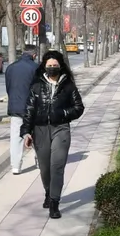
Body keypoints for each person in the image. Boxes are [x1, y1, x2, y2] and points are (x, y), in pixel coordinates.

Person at [21, 51, 85, 219]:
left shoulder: (68, 85)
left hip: (61, 129)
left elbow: (79, 108)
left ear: (60, 66)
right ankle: (48, 192)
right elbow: (29, 110)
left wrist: (63, 113)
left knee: (57, 165)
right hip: (40, 129)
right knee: (45, 167)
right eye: (48, 66)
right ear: (44, 66)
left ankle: (54, 203)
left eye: (54, 65)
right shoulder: (36, 86)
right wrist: (26, 132)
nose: (51, 68)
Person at [5, 45, 39, 174]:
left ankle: (16, 166)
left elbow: (9, 88)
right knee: (37, 136)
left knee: (16, 138)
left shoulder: (10, 68)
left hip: (16, 108)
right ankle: (40, 162)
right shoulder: (36, 68)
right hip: (33, 109)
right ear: (34, 55)